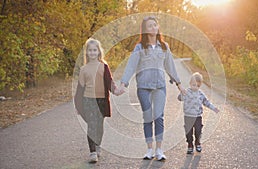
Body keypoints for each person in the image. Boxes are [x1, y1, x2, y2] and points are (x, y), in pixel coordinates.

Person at [119, 16, 186, 161]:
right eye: (150, 26)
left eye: (155, 25)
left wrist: (179, 84)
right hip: (143, 87)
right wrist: (123, 84)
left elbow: (170, 66)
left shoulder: (164, 46)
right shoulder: (139, 47)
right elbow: (131, 66)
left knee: (159, 117)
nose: (153, 28)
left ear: (158, 27)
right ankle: (149, 149)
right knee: (148, 117)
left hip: (160, 87)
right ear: (144, 29)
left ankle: (159, 150)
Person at [74, 38, 122, 163]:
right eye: (90, 50)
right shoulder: (84, 69)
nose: (92, 52)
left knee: (99, 126)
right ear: (87, 53)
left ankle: (98, 145)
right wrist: (78, 105)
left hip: (102, 100)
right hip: (88, 100)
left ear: (99, 52)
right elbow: (80, 88)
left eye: (95, 50)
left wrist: (116, 90)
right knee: (91, 125)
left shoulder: (103, 67)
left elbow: (109, 82)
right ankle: (92, 152)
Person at [177, 72, 219, 154]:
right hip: (188, 116)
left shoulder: (200, 94)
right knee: (188, 132)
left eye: (198, 86)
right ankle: (190, 144)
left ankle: (197, 142)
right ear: (190, 83)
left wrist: (214, 108)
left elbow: (206, 102)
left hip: (197, 117)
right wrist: (181, 92)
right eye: (193, 85)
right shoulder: (186, 92)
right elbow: (179, 98)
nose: (195, 87)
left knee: (198, 131)